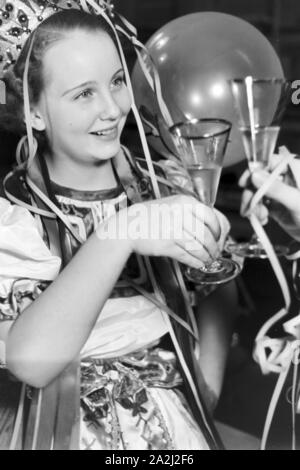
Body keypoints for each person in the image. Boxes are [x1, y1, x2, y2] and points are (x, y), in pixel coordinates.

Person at [0, 5, 234, 450]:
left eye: (117, 81)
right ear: (34, 112)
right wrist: (122, 230)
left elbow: (218, 286)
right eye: (83, 94)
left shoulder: (165, 186)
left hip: (171, 426)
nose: (112, 109)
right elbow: (32, 362)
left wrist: (209, 385)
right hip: (58, 431)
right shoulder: (14, 218)